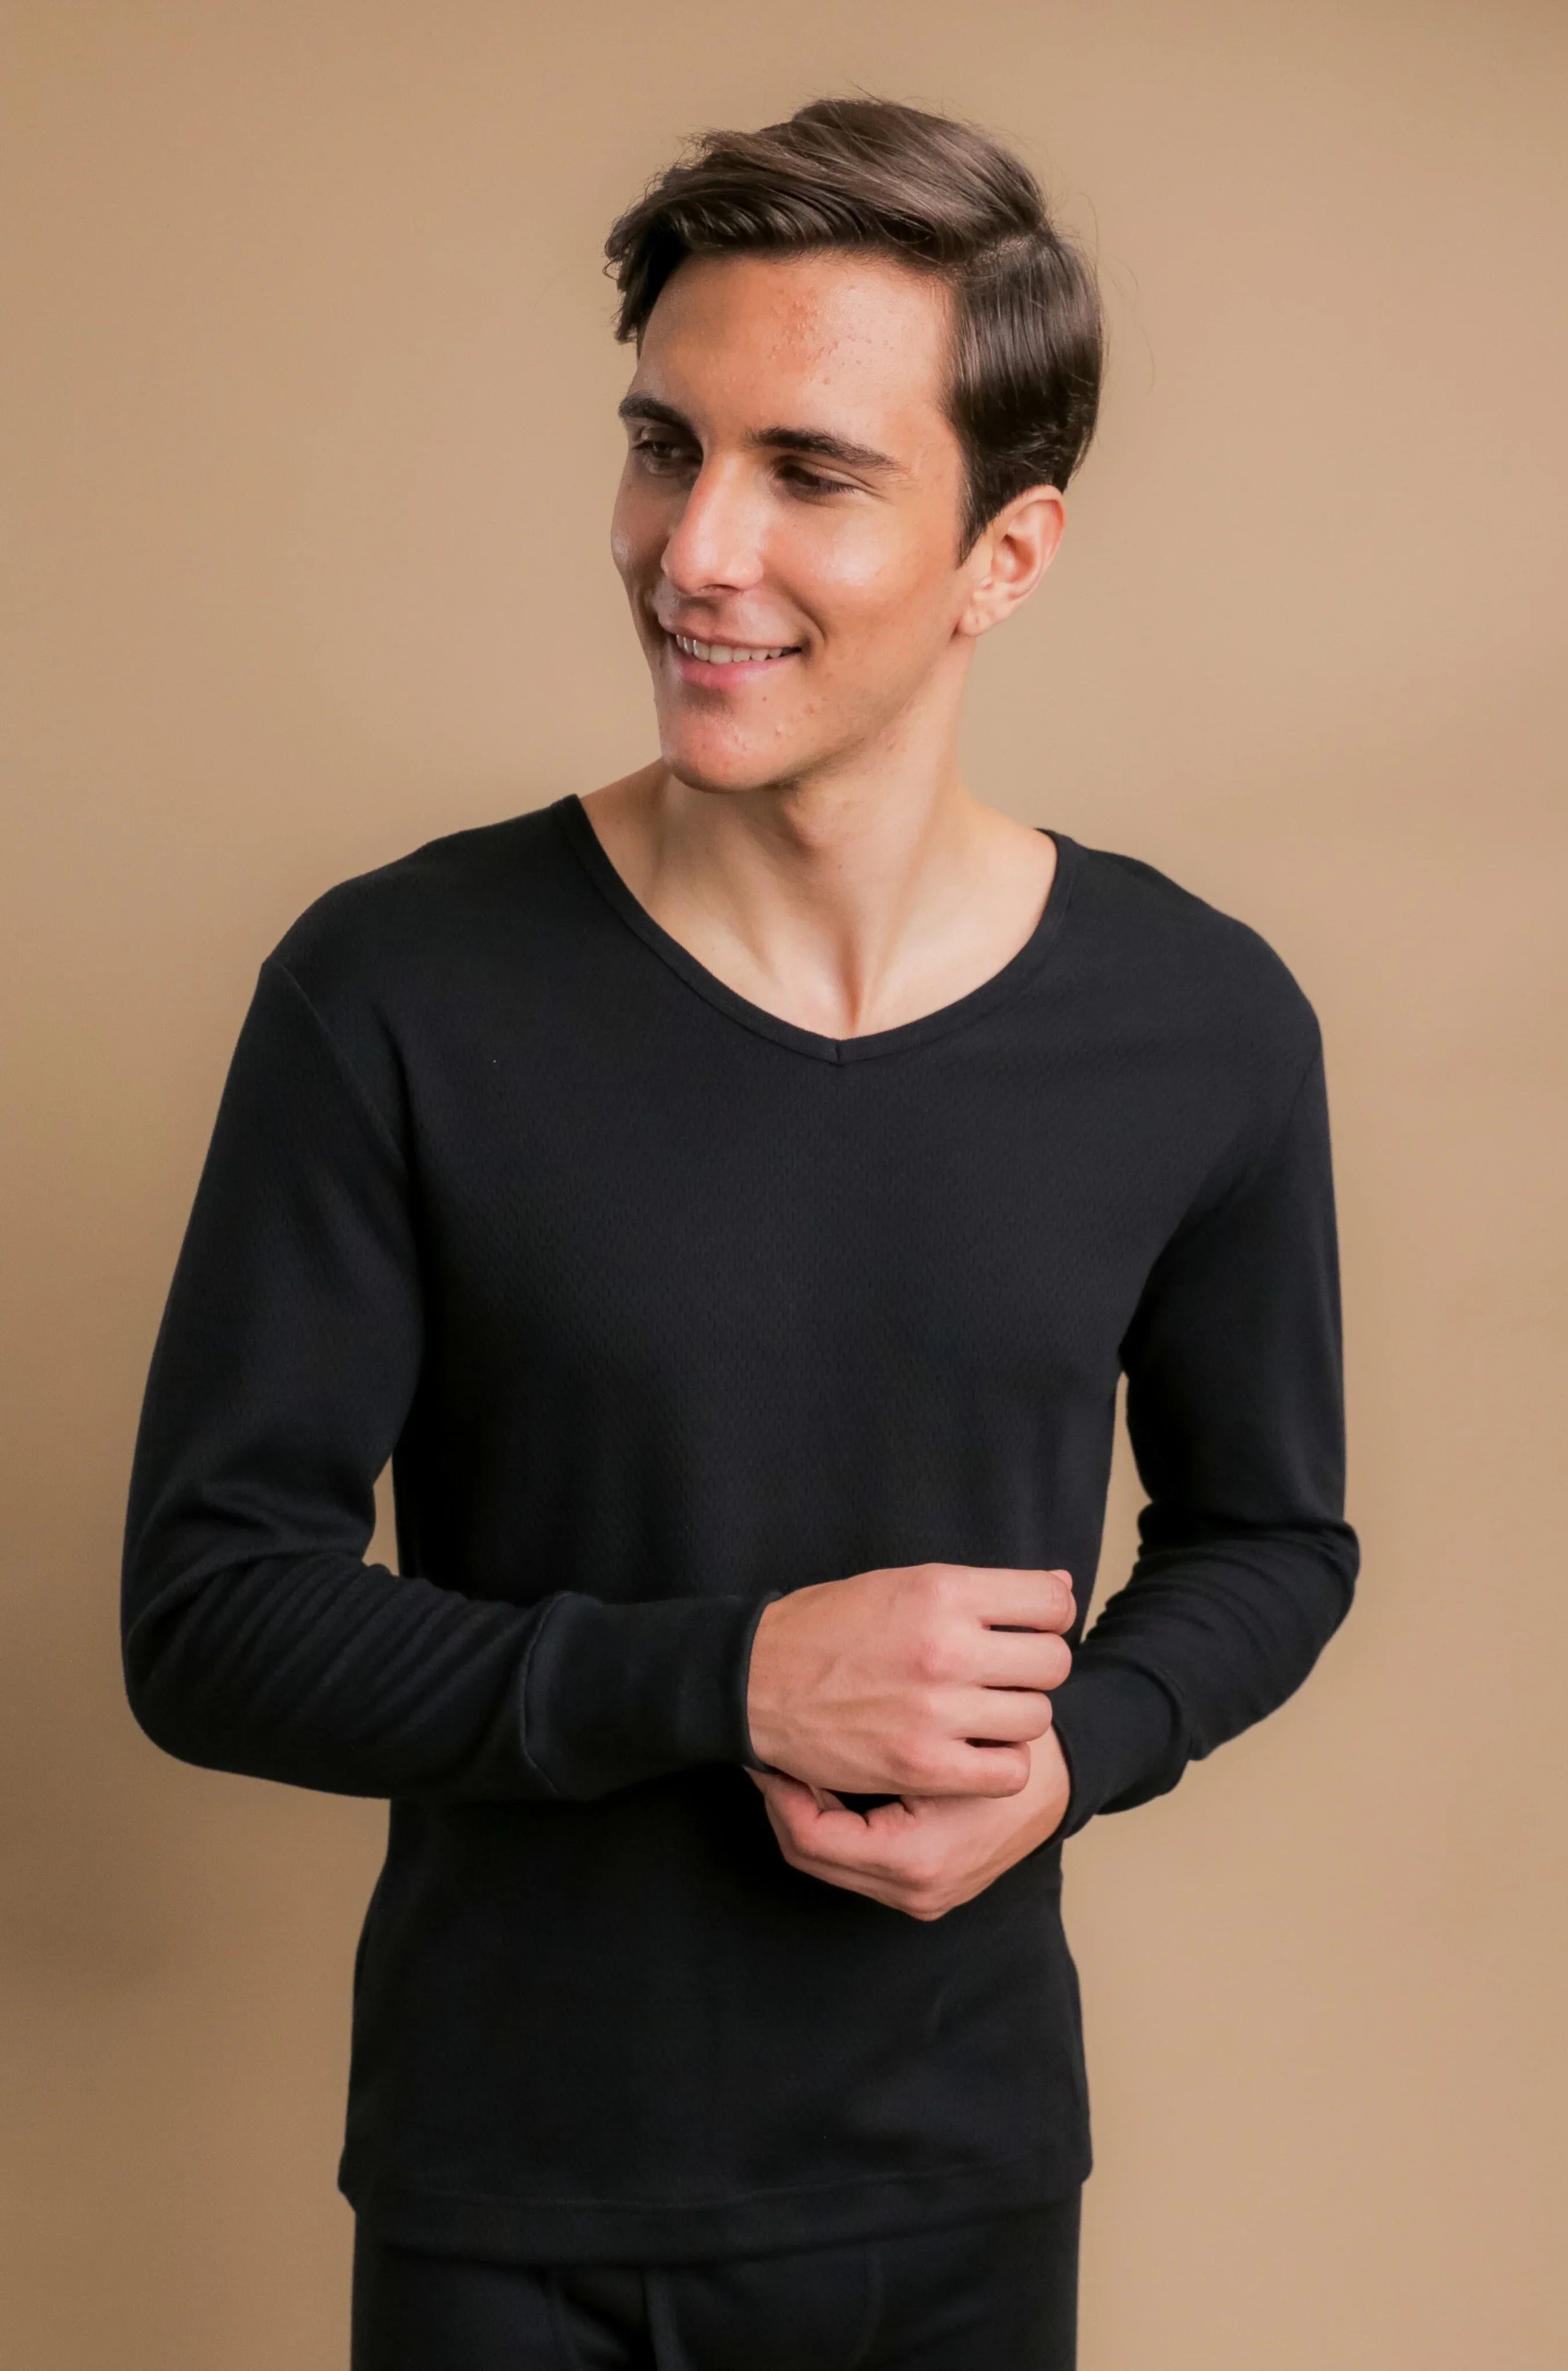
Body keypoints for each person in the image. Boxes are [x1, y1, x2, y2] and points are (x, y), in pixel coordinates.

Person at [121, 97, 1358, 2371]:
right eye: (660, 447)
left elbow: (1272, 1537)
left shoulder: (1199, 1024)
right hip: (508, 2202)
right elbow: (205, 1618)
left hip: (956, 2194)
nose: (694, 549)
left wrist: (1082, 1749)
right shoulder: (391, 990)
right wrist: (728, 1678)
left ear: (1005, 552)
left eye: (809, 471)